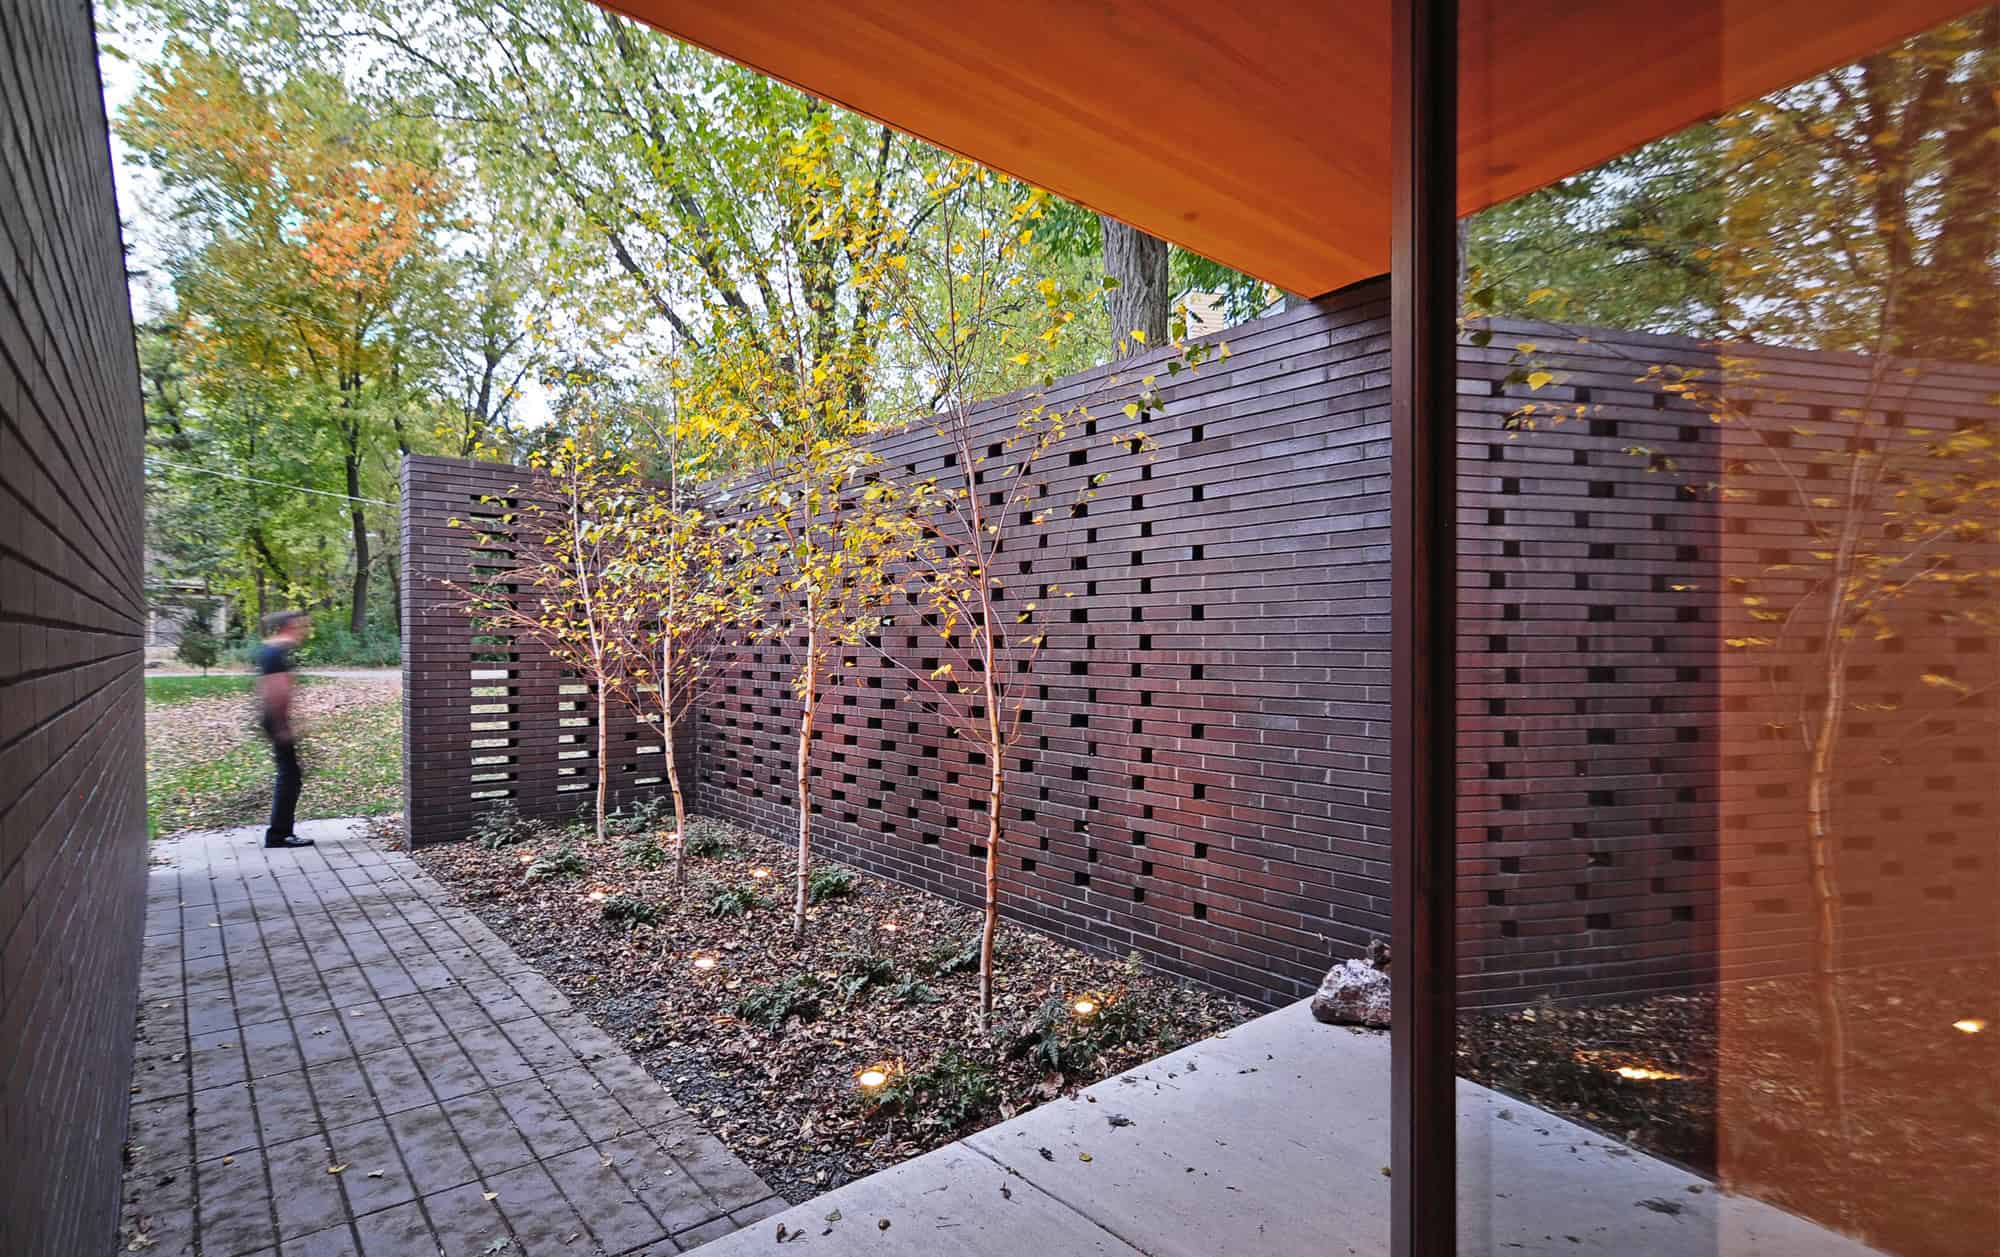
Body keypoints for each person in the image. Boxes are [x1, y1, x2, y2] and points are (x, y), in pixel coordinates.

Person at [255, 611, 314, 849]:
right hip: (276, 719)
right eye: (301, 627)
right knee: (290, 777)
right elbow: (275, 692)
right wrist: (282, 726)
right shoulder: (275, 654)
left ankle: (280, 831)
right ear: (289, 627)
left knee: (290, 774)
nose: (303, 631)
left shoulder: (271, 651)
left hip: (273, 718)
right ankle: (279, 834)